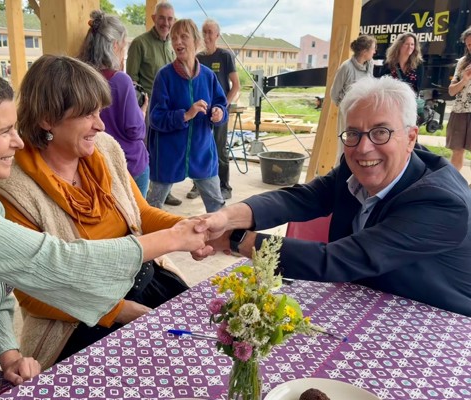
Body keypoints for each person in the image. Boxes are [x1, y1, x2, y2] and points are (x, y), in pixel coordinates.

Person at [0, 60, 209, 399]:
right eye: (4, 131)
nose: (18, 142)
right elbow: (58, 261)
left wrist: (8, 354)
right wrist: (174, 237)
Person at [197, 76, 471, 317]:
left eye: (380, 132)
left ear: (411, 138)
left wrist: (236, 239)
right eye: (353, 133)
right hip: (366, 303)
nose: (363, 148)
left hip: (438, 325)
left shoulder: (441, 203)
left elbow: (339, 260)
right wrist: (226, 217)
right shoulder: (355, 169)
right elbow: (302, 198)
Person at [0, 54, 193, 369]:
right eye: (88, 114)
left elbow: (140, 215)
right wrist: (118, 311)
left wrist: (190, 227)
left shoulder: (105, 149)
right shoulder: (13, 191)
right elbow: (33, 294)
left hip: (146, 283)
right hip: (79, 320)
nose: (100, 124)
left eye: (99, 111)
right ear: (47, 119)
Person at [146, 19, 228, 213]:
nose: (178, 42)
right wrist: (186, 115)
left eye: (184, 37)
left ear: (196, 41)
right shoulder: (164, 76)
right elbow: (156, 118)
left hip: (202, 152)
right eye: (174, 38)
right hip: (168, 155)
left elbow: (221, 104)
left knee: (217, 207)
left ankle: (220, 233)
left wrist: (219, 113)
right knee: (152, 208)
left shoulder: (208, 76)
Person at [78, 10, 150, 198]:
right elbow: (136, 131)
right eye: (123, 46)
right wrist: (142, 113)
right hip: (128, 165)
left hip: (96, 165)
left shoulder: (80, 78)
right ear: (115, 45)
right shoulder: (120, 81)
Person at [126, 1, 182, 206]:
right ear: (153, 18)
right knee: (148, 150)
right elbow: (131, 81)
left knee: (167, 150)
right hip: (149, 107)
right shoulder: (140, 44)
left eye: (169, 19)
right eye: (162, 18)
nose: (166, 23)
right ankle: (146, 195)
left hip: (171, 107)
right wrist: (139, 110)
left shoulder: (172, 44)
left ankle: (164, 191)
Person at [186, 18, 240, 201]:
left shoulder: (225, 56)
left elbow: (236, 85)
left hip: (218, 112)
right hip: (201, 111)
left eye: (210, 32)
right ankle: (197, 185)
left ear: (217, 35)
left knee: (219, 147)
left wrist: (223, 106)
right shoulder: (198, 58)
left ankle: (224, 186)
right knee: (198, 146)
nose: (207, 36)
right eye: (204, 32)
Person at [331, 34, 377, 161]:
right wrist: (345, 107)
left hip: (366, 111)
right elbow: (334, 93)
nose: (375, 51)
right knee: (346, 143)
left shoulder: (370, 64)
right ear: (364, 51)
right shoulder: (346, 67)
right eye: (373, 48)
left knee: (363, 141)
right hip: (348, 112)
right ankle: (341, 168)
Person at [446, 27, 471, 171]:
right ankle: (454, 182)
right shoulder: (462, 62)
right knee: (457, 151)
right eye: (469, 45)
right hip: (460, 111)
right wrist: (464, 80)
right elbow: (451, 91)